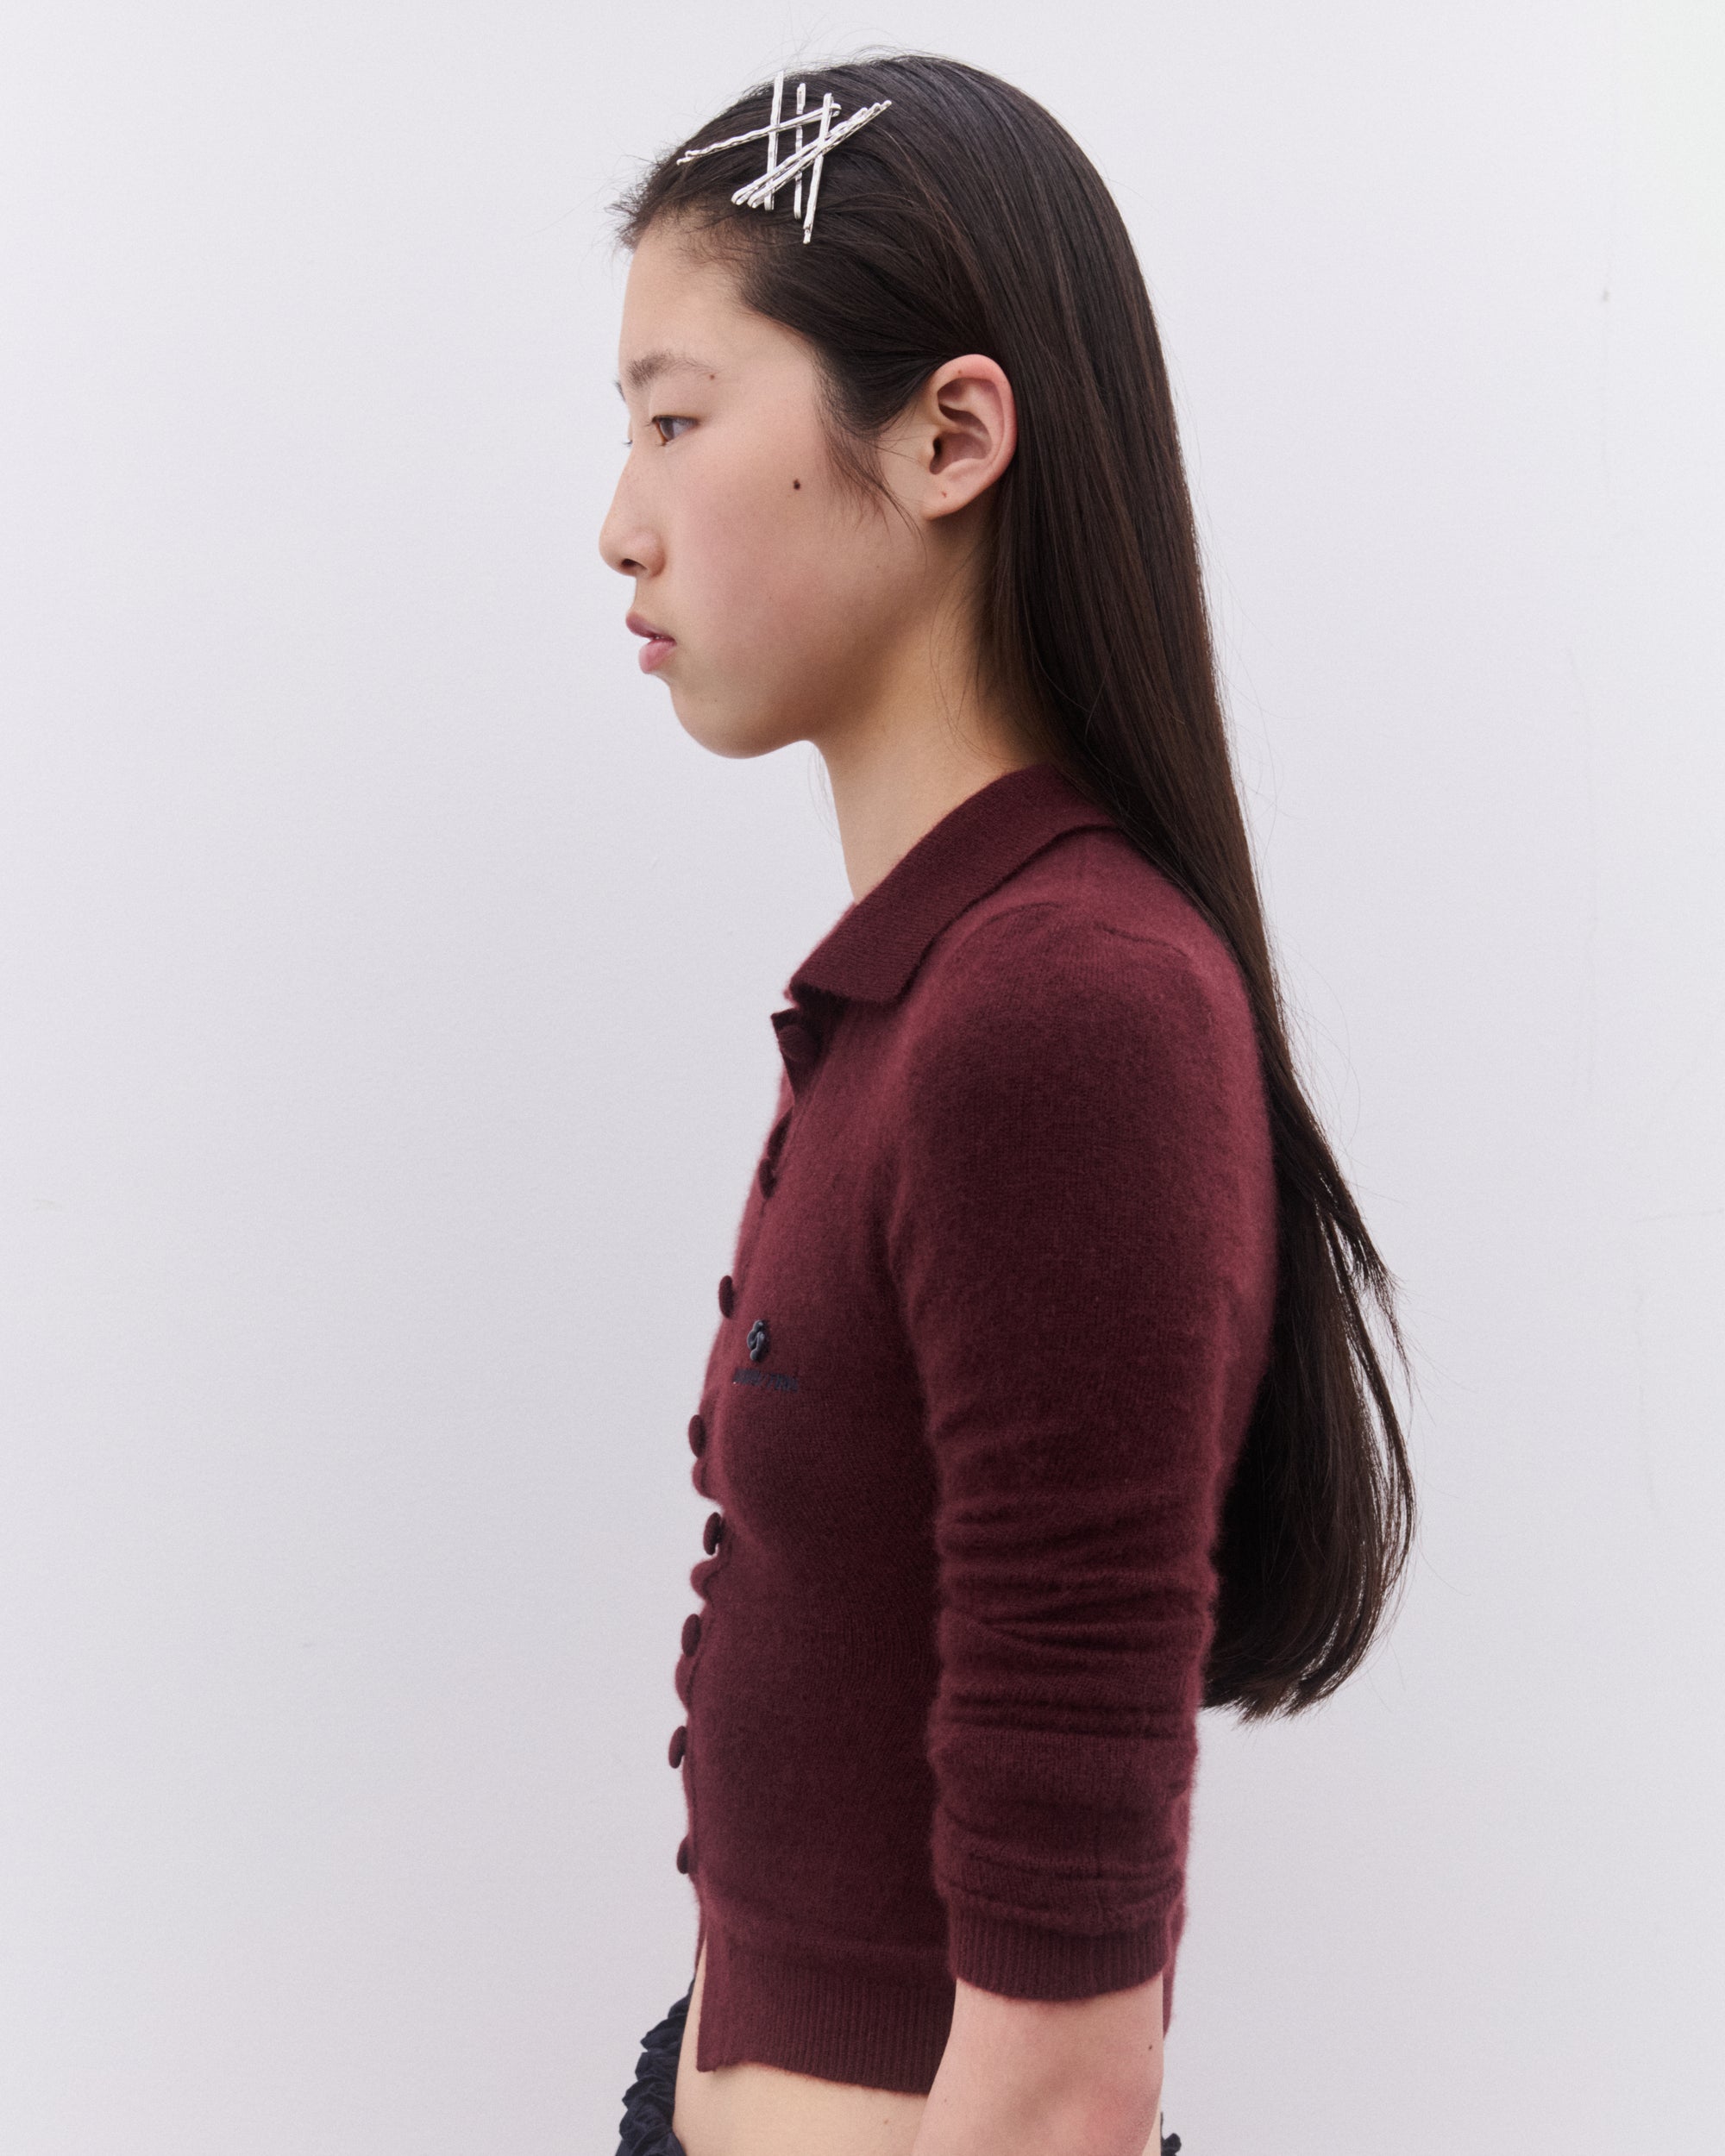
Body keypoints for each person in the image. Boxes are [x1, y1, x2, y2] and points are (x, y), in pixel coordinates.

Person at [599, 53, 1414, 2156]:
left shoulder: (1062, 1014)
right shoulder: (940, 989)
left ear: (950, 435)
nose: (621, 522)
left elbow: (1064, 2077)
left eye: (676, 420)